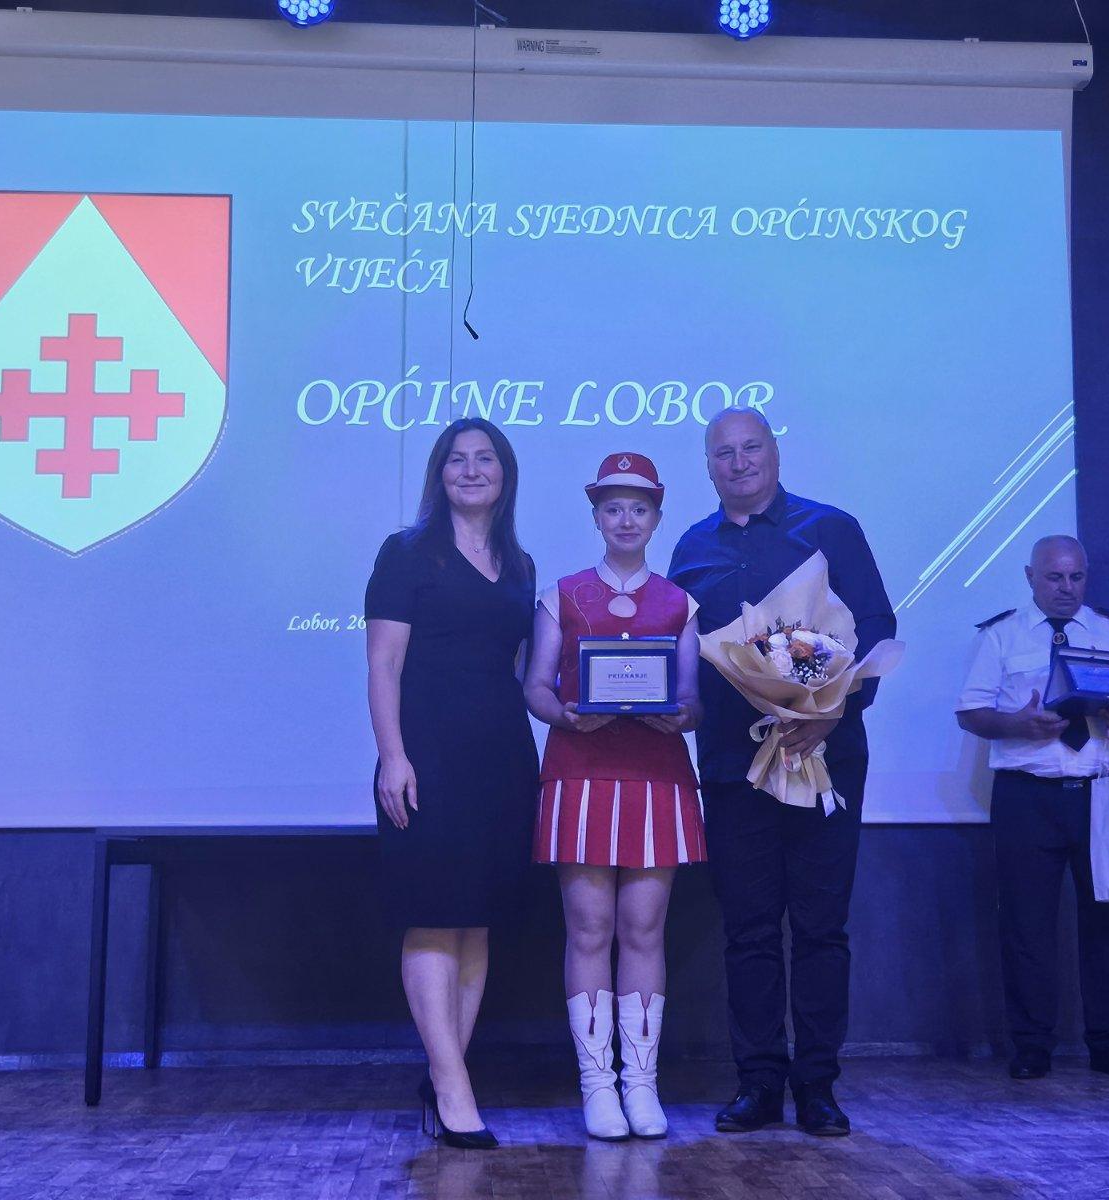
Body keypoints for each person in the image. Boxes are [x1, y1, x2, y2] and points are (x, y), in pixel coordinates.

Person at [668, 407, 895, 1137]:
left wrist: (832, 709)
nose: (739, 463)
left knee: (822, 929)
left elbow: (877, 630)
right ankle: (758, 1082)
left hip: (827, 758)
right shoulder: (691, 546)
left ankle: (818, 1086)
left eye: (751, 448)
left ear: (774, 452)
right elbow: (680, 653)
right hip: (735, 764)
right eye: (723, 453)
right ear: (708, 467)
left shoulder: (831, 529)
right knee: (750, 931)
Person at [364, 418, 538, 1150]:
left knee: (476, 919)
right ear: (439, 474)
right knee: (435, 915)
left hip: (503, 760)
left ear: (505, 474)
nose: (471, 470)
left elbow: (524, 675)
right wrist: (393, 756)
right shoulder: (407, 552)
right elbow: (383, 665)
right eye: (457, 460)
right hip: (426, 758)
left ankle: (447, 1075)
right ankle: (452, 1085)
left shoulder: (520, 564)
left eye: (485, 459)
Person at [524, 453, 706, 1141]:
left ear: (656, 517)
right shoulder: (562, 596)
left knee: (644, 929)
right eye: (612, 508)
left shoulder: (681, 603)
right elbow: (536, 687)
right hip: (581, 772)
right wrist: (567, 716)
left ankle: (642, 1085)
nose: (626, 519)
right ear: (596, 516)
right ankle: (597, 1086)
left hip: (657, 776)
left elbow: (691, 700)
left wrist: (679, 717)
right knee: (589, 928)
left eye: (638, 508)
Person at [955, 535, 1109, 1082]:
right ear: (1030, 577)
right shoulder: (1001, 635)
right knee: (1026, 925)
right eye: (1054, 578)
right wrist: (1016, 725)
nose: (1067, 588)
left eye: (1076, 577)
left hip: (1100, 790)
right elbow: (971, 713)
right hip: (1028, 794)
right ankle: (1031, 1046)